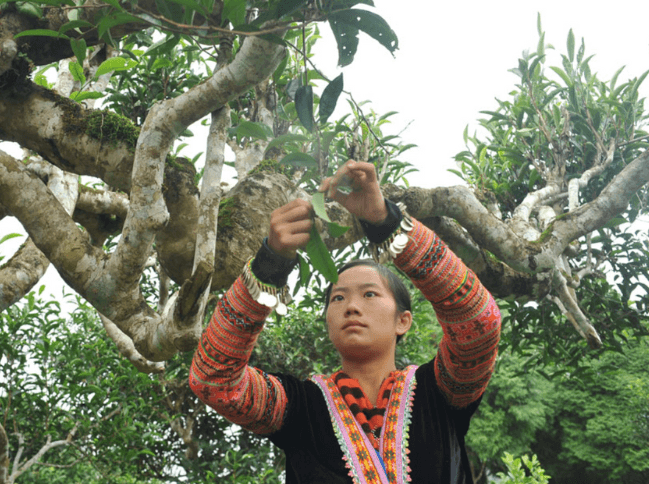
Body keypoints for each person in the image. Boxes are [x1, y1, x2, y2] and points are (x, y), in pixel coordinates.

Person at [189, 160, 501, 483]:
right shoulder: (299, 408)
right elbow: (213, 381)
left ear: (403, 321)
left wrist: (386, 220)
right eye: (338, 298)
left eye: (369, 294)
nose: (351, 306)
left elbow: (480, 321)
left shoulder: (439, 391)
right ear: (328, 322)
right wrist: (269, 264)